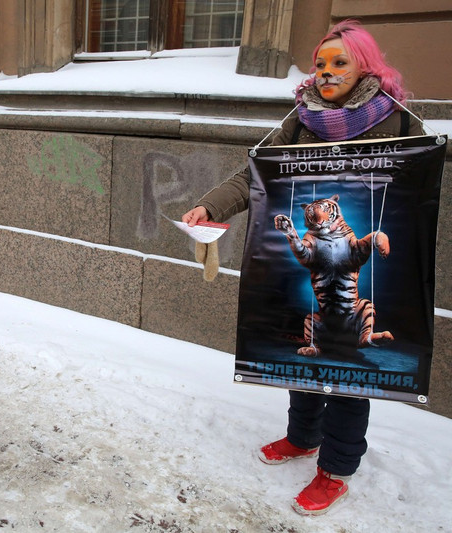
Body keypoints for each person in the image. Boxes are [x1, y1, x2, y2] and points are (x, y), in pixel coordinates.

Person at [181, 20, 423, 516]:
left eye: (339, 62)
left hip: (365, 268)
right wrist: (211, 206)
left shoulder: (396, 119)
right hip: (312, 269)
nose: (326, 72)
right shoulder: (300, 118)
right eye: (320, 63)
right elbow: (254, 175)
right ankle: (303, 437)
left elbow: (426, 178)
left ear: (365, 67)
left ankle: (336, 469)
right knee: (304, 362)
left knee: (349, 377)